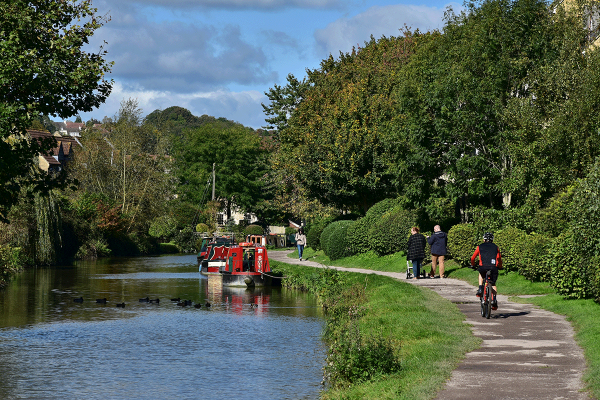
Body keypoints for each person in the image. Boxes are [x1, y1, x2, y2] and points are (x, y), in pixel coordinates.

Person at [470, 232, 503, 310]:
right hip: (493, 267)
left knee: (481, 274)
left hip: (483, 266)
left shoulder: (480, 246)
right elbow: (499, 258)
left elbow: (473, 257)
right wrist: (500, 266)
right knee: (493, 283)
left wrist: (473, 265)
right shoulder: (496, 247)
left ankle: (481, 288)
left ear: (484, 239)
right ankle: (494, 299)